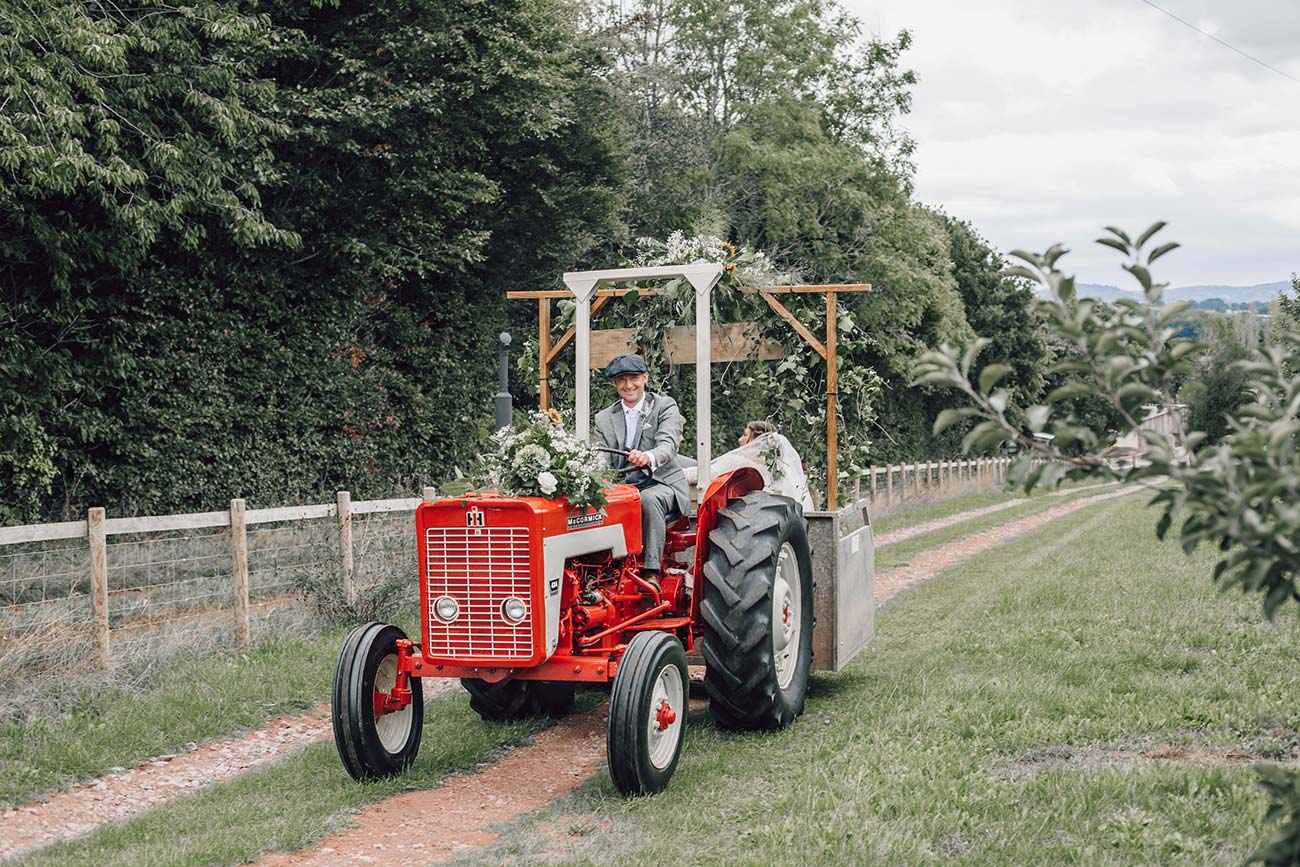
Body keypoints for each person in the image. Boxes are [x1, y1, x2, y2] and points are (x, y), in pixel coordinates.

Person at [594, 354, 689, 590]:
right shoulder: (604, 418)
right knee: (591, 503)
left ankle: (651, 571)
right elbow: (601, 459)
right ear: (614, 383)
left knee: (648, 499)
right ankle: (599, 571)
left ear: (645, 378)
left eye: (634, 378)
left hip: (660, 483)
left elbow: (667, 444)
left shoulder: (664, 406)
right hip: (622, 488)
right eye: (621, 380)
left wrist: (649, 456)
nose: (628, 385)